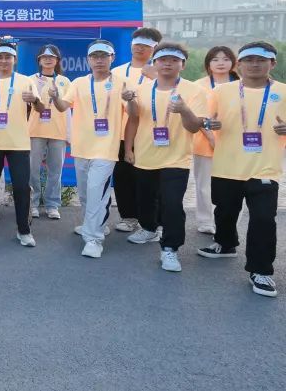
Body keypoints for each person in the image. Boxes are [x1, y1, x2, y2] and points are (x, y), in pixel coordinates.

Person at [199, 42, 286, 297]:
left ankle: (261, 271)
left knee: (263, 219)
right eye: (249, 60)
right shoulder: (222, 91)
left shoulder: (283, 91)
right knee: (225, 210)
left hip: (265, 168)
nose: (254, 64)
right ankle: (225, 244)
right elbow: (203, 119)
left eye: (261, 60)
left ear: (272, 63)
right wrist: (209, 123)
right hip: (226, 165)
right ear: (239, 64)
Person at [122, 42, 206, 272]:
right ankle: (149, 229)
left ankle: (170, 248)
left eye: (174, 60)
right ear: (155, 63)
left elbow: (194, 127)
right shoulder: (142, 88)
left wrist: (184, 110)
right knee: (146, 199)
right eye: (163, 59)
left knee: (172, 203)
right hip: (145, 154)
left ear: (182, 64)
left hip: (177, 158)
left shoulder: (193, 90)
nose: (168, 63)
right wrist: (128, 149)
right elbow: (133, 118)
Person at [48, 40, 124, 258]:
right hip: (81, 147)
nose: (99, 60)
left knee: (96, 192)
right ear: (89, 60)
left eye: (104, 56)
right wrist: (55, 97)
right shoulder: (79, 83)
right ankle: (94, 224)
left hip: (106, 148)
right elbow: (63, 106)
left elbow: (134, 112)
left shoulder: (122, 83)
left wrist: (131, 101)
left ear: (112, 58)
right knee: (85, 194)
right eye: (95, 56)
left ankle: (93, 239)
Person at [0, 37, 42, 248]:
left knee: (22, 186)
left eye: (8, 57)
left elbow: (41, 108)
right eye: (0, 57)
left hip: (19, 143)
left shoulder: (26, 81)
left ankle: (24, 230)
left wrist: (35, 100)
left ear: (14, 59)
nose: (4, 61)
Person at [111, 27, 161, 233]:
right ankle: (129, 217)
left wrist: (154, 76)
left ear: (154, 49)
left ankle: (152, 221)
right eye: (137, 44)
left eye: (146, 46)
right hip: (120, 133)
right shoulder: (117, 71)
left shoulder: (160, 72)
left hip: (149, 134)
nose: (140, 48)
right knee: (123, 177)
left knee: (149, 180)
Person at [191, 46, 238, 235]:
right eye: (215, 59)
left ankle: (229, 222)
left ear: (233, 63)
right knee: (204, 184)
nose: (221, 63)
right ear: (208, 64)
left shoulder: (242, 84)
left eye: (226, 59)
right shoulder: (198, 85)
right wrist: (211, 137)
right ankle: (205, 221)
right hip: (204, 142)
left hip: (234, 143)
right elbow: (196, 114)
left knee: (233, 185)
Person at [28, 44, 70, 220]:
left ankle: (52, 205)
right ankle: (33, 204)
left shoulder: (65, 81)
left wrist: (68, 134)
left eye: (51, 57)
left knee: (55, 171)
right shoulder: (30, 80)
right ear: (39, 60)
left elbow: (66, 109)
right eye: (44, 57)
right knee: (33, 170)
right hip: (35, 131)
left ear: (57, 60)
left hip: (58, 132)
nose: (47, 59)